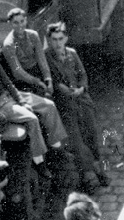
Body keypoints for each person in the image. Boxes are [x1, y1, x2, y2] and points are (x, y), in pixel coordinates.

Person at [0, 39, 65, 171]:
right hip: (1, 103)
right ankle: (39, 162)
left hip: (11, 96)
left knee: (48, 105)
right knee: (32, 119)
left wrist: (22, 101)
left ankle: (57, 148)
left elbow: (9, 85)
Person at [44, 20, 106, 192]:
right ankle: (88, 177)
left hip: (81, 101)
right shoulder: (47, 57)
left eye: (60, 39)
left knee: (92, 134)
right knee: (77, 142)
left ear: (66, 39)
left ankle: (99, 169)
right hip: (64, 106)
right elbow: (49, 79)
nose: (57, 43)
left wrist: (81, 88)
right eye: (54, 39)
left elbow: (82, 75)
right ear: (49, 40)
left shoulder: (72, 53)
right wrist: (59, 87)